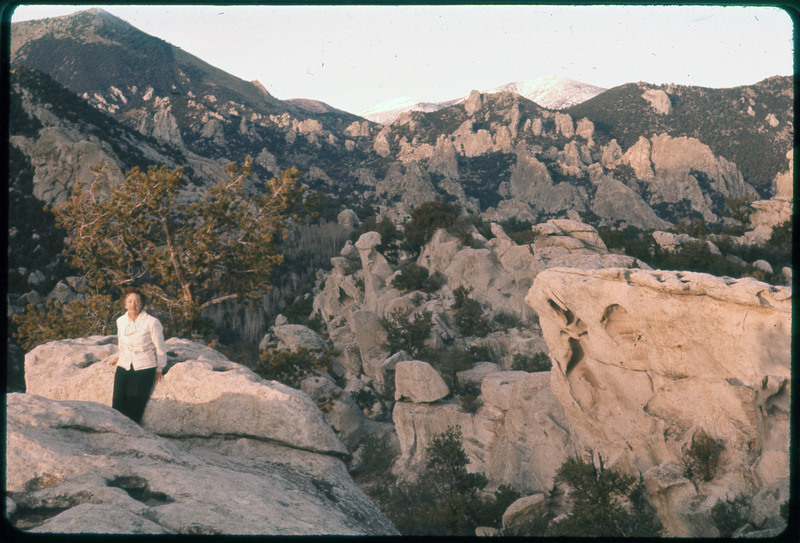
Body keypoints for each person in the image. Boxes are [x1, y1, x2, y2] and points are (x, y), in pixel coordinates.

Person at [109, 287, 167, 423]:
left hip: (144, 367)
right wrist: (121, 355)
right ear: (125, 303)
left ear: (141, 304)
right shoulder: (121, 321)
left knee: (134, 406)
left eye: (136, 301)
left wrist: (159, 369)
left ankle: (131, 438)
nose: (133, 305)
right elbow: (121, 342)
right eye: (130, 301)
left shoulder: (152, 322)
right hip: (124, 364)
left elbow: (160, 347)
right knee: (117, 403)